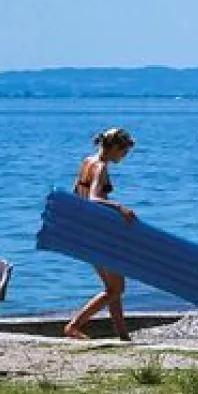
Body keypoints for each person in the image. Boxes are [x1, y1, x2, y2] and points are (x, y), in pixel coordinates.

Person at [64, 127, 139, 341]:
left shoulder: (87, 162)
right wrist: (120, 207)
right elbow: (95, 198)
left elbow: (76, 194)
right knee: (117, 288)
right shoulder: (99, 167)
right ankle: (74, 325)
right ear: (114, 147)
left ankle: (123, 335)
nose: (124, 156)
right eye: (124, 152)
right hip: (100, 234)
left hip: (87, 232)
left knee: (112, 288)